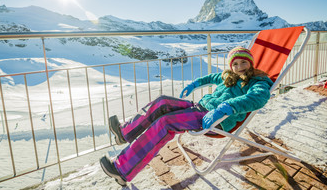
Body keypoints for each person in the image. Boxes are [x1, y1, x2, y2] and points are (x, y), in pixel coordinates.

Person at [99, 46, 273, 186]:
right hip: (200, 108)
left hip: (216, 120)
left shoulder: (257, 81)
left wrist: (225, 108)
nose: (239, 67)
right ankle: (124, 133)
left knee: (166, 123)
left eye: (244, 62)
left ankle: (122, 169)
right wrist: (194, 84)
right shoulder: (229, 76)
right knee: (163, 102)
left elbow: (258, 98)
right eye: (235, 64)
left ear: (251, 63)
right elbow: (210, 77)